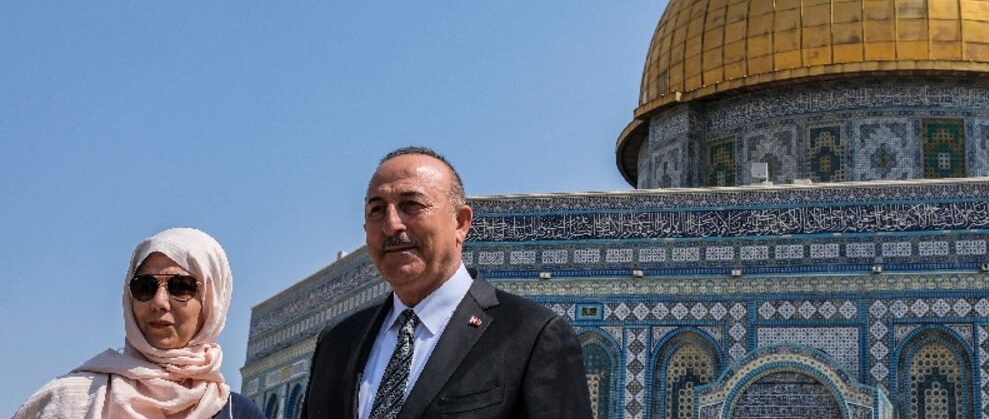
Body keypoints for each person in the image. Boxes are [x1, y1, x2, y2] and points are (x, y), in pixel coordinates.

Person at [301, 147, 591, 419]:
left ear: (460, 223)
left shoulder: (529, 335)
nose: (391, 225)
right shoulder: (337, 343)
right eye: (377, 210)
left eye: (411, 205)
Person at [14, 227, 265, 419]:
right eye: (145, 286)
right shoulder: (70, 400)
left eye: (181, 286)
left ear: (211, 301)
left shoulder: (236, 413)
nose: (159, 302)